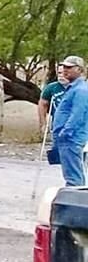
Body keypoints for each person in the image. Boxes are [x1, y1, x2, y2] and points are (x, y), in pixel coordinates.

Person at [51, 56, 88, 187]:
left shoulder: (81, 90)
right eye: (64, 67)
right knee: (71, 173)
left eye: (69, 67)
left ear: (79, 69)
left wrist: (65, 132)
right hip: (68, 138)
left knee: (73, 176)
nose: (65, 70)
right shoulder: (72, 88)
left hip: (71, 139)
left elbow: (77, 114)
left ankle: (75, 203)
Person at [39, 64, 68, 133]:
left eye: (64, 73)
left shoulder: (80, 88)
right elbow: (42, 104)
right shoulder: (51, 88)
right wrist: (43, 123)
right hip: (58, 127)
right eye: (59, 73)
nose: (61, 75)